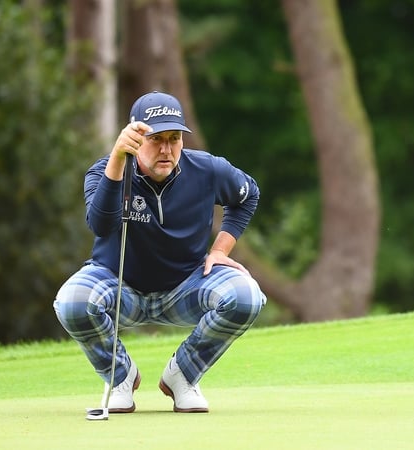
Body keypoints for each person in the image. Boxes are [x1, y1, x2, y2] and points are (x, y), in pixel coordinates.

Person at [53, 91, 265, 413]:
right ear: (135, 138)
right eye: (156, 139)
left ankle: (182, 375)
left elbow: (247, 195)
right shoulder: (105, 172)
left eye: (174, 138)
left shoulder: (207, 170)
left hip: (186, 286)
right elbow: (101, 224)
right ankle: (120, 375)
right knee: (72, 302)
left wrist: (220, 249)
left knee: (246, 295)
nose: (166, 149)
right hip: (120, 284)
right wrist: (116, 160)